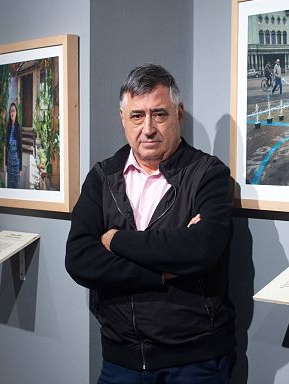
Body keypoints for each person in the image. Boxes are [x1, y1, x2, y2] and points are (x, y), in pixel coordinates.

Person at [66, 64, 235, 384]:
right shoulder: (102, 177)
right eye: (137, 116)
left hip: (195, 362)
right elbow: (78, 260)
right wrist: (163, 269)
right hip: (121, 363)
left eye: (159, 114)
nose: (148, 128)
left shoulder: (208, 174)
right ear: (122, 118)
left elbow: (201, 249)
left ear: (179, 114)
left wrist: (115, 241)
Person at [4, 102, 23, 188]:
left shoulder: (18, 127)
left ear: (16, 113)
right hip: (9, 161)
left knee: (16, 185)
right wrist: (5, 163)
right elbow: (6, 147)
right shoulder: (8, 127)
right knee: (9, 185)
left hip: (16, 162)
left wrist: (20, 168)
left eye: (14, 110)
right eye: (11, 110)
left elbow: (20, 148)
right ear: (9, 113)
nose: (12, 112)